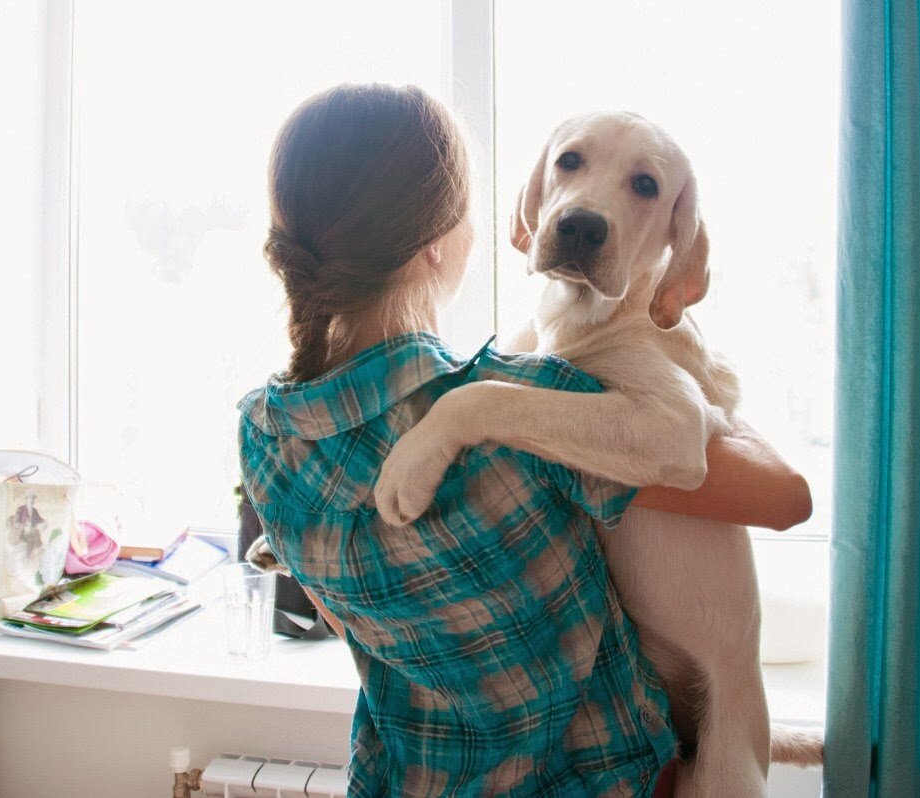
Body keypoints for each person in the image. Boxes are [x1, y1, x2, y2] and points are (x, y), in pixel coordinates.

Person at [237, 83, 810, 798]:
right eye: (568, 164)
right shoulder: (511, 407)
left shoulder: (261, 431)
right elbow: (786, 495)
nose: (585, 204)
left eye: (639, 184)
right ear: (442, 243)